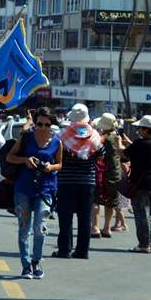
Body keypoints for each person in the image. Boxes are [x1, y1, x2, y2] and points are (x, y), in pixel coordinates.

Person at [7, 106, 62, 279]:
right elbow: (10, 157)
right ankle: (25, 265)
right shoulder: (26, 138)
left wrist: (50, 167)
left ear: (52, 124)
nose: (43, 128)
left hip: (45, 189)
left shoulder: (56, 142)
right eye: (39, 124)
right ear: (35, 123)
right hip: (23, 188)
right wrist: (25, 160)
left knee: (40, 228)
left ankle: (36, 261)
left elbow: (60, 164)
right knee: (24, 228)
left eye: (47, 124)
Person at [52, 104, 102, 260]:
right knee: (85, 217)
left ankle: (64, 250)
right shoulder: (94, 135)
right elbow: (101, 155)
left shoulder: (62, 135)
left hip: (66, 181)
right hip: (88, 182)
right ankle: (82, 251)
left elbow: (55, 154)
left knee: (65, 217)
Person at [124, 115, 151, 253]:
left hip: (140, 183)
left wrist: (119, 144)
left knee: (141, 214)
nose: (138, 130)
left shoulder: (139, 144)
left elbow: (124, 155)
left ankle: (144, 244)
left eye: (140, 128)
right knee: (149, 214)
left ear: (146, 130)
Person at [93, 113, 124, 239]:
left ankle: (95, 228)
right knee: (111, 202)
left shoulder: (101, 139)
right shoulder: (117, 137)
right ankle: (107, 228)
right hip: (115, 173)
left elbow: (97, 155)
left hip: (101, 172)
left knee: (95, 200)